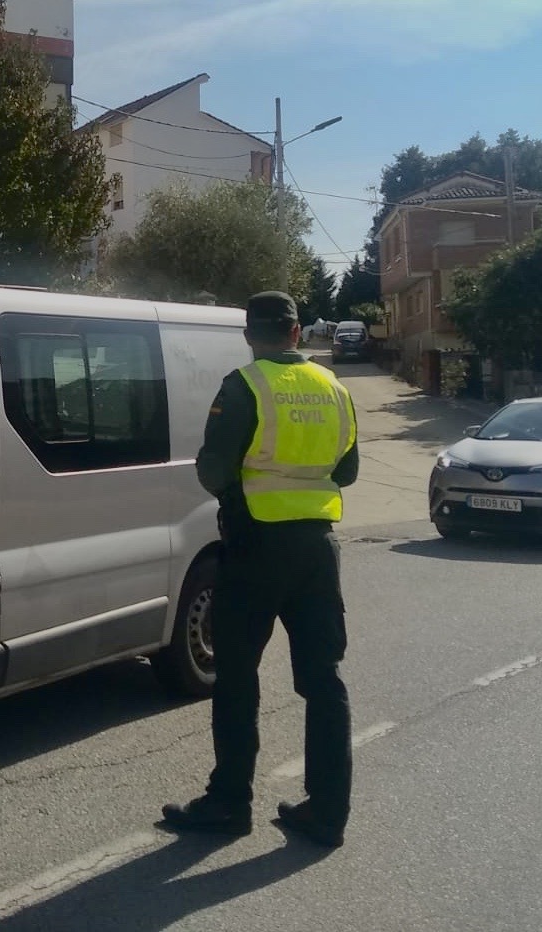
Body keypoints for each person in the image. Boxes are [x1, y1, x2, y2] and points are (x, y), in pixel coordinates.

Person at [162, 291, 359, 848]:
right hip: (318, 550)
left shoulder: (244, 385)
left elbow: (213, 470)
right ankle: (327, 813)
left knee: (238, 676)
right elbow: (347, 471)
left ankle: (229, 804)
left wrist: (244, 489)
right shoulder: (334, 388)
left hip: (254, 547)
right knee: (324, 681)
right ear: (297, 332)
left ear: (250, 335)